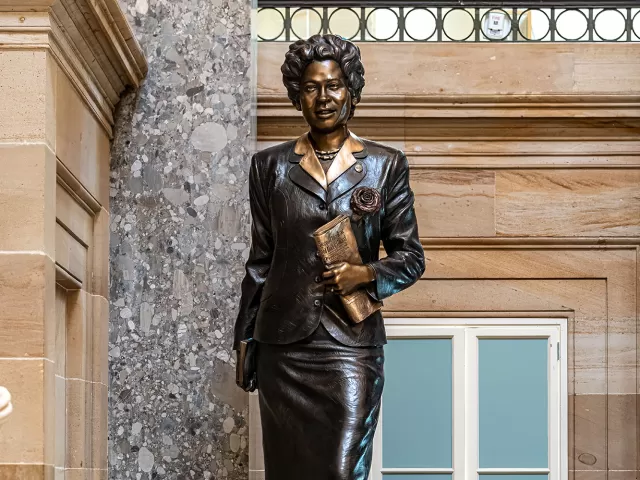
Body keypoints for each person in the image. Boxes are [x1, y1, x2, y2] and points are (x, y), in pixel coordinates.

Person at [233, 34, 425, 480]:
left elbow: (411, 257)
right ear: (296, 95)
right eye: (311, 87)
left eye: (334, 85)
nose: (323, 98)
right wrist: (245, 340)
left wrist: (365, 274)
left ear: (351, 90)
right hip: (284, 346)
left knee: (342, 472)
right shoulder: (269, 167)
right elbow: (260, 262)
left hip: (351, 344)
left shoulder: (385, 165)